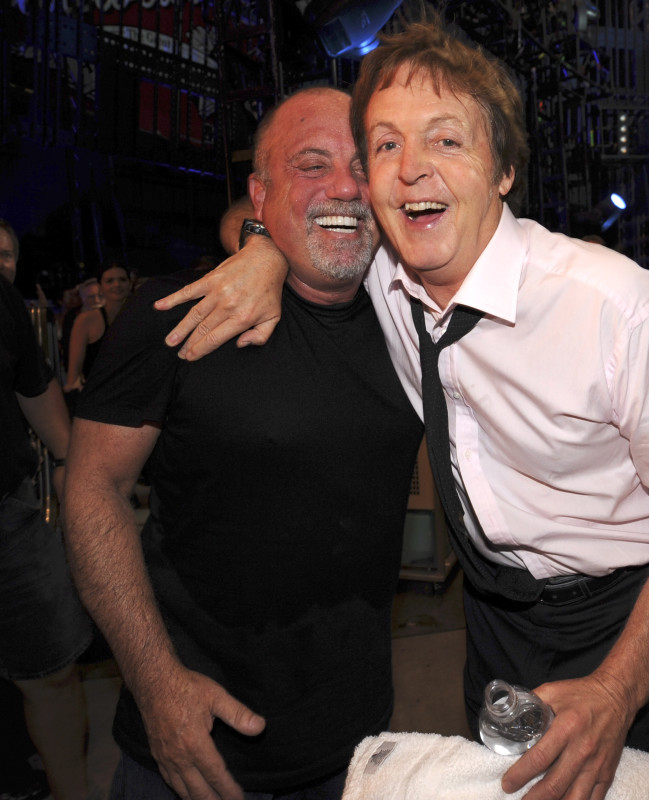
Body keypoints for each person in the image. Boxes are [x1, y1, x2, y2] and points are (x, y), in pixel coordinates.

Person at [154, 21, 649, 800]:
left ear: (504, 168)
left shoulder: (609, 306)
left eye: (445, 140)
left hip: (628, 617)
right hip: (493, 617)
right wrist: (263, 246)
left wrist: (618, 688)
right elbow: (280, 208)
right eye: (387, 145)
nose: (412, 169)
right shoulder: (382, 273)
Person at [62, 87, 423, 800]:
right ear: (261, 194)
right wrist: (156, 684)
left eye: (363, 165)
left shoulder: (413, 321)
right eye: (312, 165)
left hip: (356, 744)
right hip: (194, 750)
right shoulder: (177, 312)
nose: (345, 187)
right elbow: (93, 487)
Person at [0, 223, 94, 800]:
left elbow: (32, 385)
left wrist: (68, 462)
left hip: (8, 517)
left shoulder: (3, 299)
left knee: (52, 672)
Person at [63, 262, 131, 393]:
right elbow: (73, 375)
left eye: (122, 279)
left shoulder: (139, 317)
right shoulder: (86, 320)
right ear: (100, 286)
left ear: (130, 283)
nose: (117, 284)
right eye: (110, 281)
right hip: (97, 396)